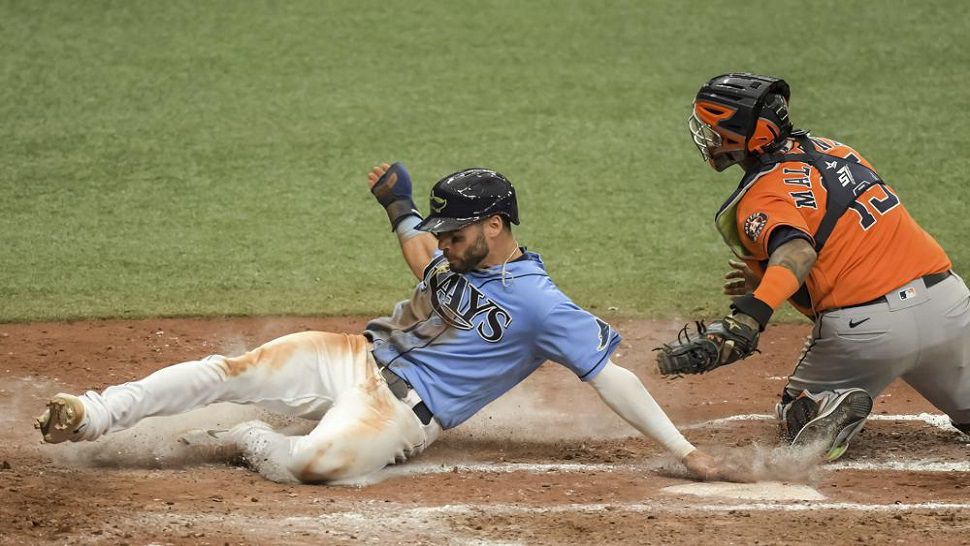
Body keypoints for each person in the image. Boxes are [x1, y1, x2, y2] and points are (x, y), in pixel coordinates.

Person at [36, 162, 725, 483]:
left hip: (401, 414)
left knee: (314, 465)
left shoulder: (544, 306)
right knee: (228, 370)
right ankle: (95, 413)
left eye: (457, 233)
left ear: (496, 224)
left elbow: (612, 378)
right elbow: (419, 252)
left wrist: (684, 451)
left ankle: (251, 437)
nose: (445, 244)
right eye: (443, 233)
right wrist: (396, 207)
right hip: (352, 357)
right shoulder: (454, 258)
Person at [657, 72, 970, 461]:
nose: (707, 136)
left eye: (713, 128)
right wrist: (768, 275)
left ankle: (824, 407)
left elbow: (800, 252)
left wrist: (751, 315)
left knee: (793, 418)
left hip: (870, 334)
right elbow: (836, 233)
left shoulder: (760, 197)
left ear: (738, 134)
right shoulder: (837, 150)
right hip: (950, 306)